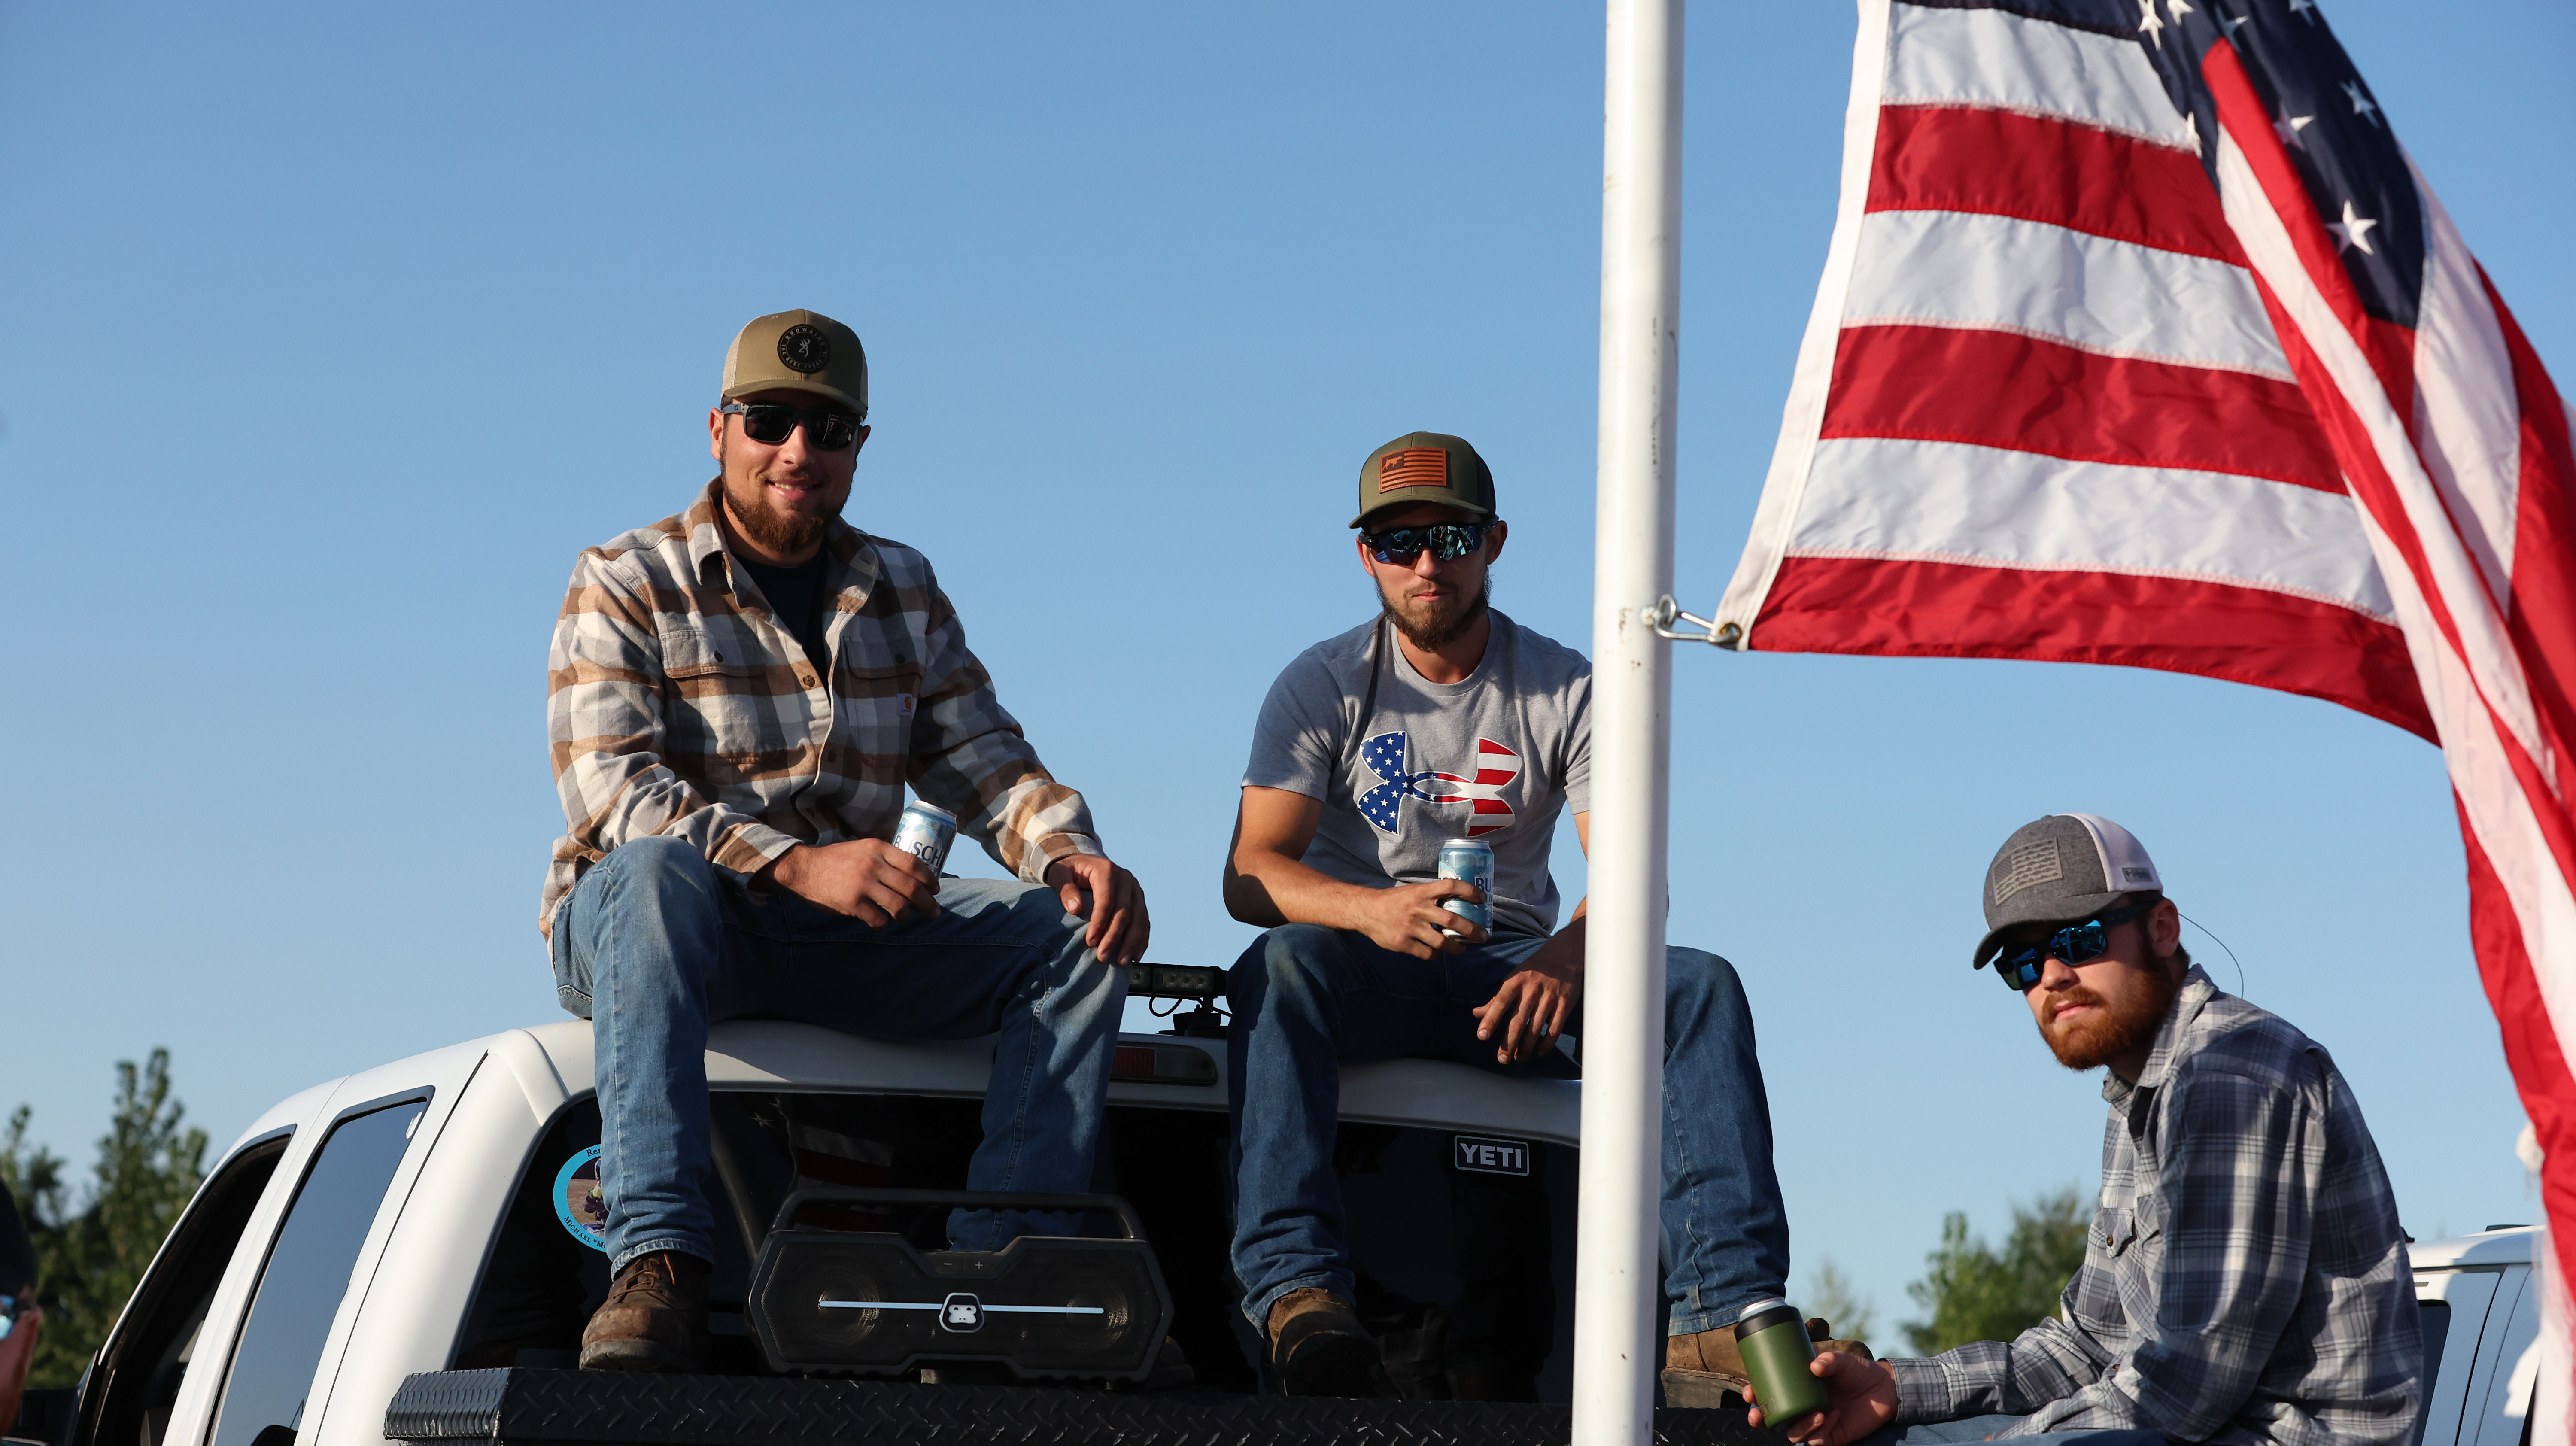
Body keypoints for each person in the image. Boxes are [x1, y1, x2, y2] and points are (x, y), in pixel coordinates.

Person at [544, 309, 1151, 1373]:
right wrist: (794, 862)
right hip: (667, 929)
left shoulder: (903, 587)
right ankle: (656, 1262)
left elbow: (989, 760)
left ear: (860, 446)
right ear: (718, 429)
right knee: (653, 876)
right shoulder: (624, 575)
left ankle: (1001, 1269)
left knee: (1075, 932)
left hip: (845, 934)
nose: (799, 453)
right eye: (771, 421)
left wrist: (1071, 855)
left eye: (829, 430)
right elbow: (612, 792)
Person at [1221, 431, 1830, 1399]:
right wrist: (1374, 914)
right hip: (1364, 966)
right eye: (1398, 541)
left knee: (1699, 986)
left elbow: (1637, 872)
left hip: (1512, 975)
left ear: (1495, 541)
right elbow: (1250, 875)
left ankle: (1716, 1314)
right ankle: (1298, 1295)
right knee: (1282, 965)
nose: (1427, 564)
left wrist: (1567, 958)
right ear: (1365, 554)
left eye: (1451, 538)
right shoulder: (1322, 682)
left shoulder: (1568, 686)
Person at [1753, 814, 2422, 1446]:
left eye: (2080, 939)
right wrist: (1896, 1388)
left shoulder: (2232, 1074)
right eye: (2023, 963)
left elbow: (2189, 1383)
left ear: (2163, 928)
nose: (2051, 976)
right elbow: (2087, 1346)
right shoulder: (2137, 1096)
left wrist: (2012, 1440)